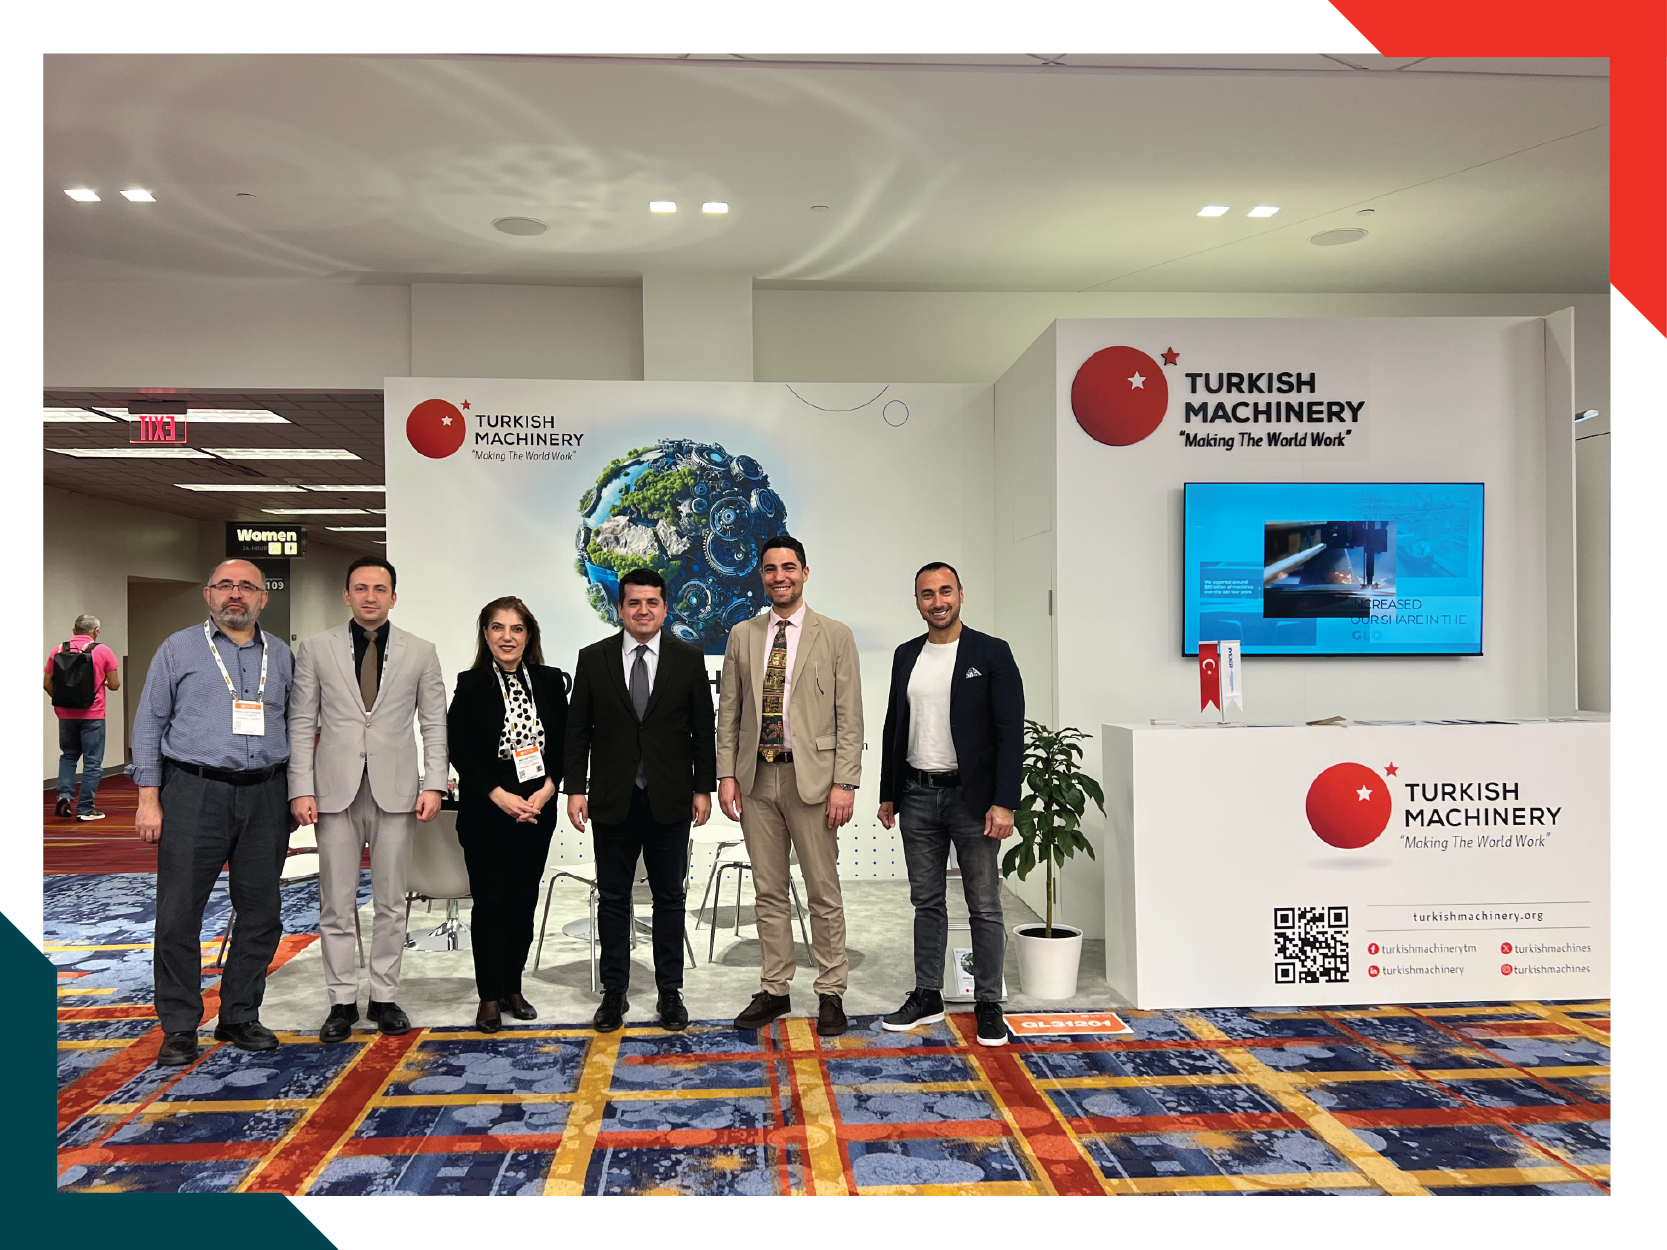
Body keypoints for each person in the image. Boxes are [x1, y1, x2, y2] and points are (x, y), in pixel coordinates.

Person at [131, 560, 295, 1067]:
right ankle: (180, 1025)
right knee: (179, 914)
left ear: (263, 598)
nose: (235, 594)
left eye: (247, 586)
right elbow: (149, 722)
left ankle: (240, 1014)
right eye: (225, 585)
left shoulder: (281, 655)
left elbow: (295, 722)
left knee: (262, 913)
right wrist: (148, 797)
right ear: (208, 594)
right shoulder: (178, 648)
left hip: (266, 794)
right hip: (193, 792)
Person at [288, 556, 449, 1043]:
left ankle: (383, 996)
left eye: (380, 589)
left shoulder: (421, 651)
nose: (371, 597)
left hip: (396, 792)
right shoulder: (316, 649)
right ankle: (341, 1000)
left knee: (392, 902)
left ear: (393, 597)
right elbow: (301, 723)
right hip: (333, 792)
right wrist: (300, 787)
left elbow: (434, 724)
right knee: (335, 904)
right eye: (361, 588)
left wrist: (435, 783)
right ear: (347, 595)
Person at [715, 535, 862, 1036]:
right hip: (757, 779)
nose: (780, 576)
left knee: (823, 890)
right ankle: (775, 988)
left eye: (789, 567)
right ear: (761, 576)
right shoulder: (743, 635)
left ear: (805, 572)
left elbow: (850, 716)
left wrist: (845, 782)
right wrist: (726, 774)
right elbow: (729, 712)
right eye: (771, 569)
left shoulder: (834, 635)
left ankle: (831, 991)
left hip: (814, 780)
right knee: (769, 891)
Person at [877, 562, 1024, 1047]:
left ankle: (988, 1003)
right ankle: (927, 994)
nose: (937, 601)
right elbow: (894, 725)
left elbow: (1010, 732)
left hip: (972, 800)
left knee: (984, 904)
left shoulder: (991, 652)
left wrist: (1005, 803)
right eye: (927, 594)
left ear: (961, 593)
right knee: (926, 902)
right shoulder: (906, 655)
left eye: (945, 591)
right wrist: (888, 792)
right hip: (917, 795)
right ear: (917, 601)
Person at [564, 568, 716, 1033]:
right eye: (634, 602)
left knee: (670, 897)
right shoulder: (593, 659)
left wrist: (703, 788)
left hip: (671, 798)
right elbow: (578, 731)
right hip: (613, 799)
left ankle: (670, 991)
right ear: (620, 609)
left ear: (665, 609)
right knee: (613, 898)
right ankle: (614, 992)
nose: (643, 610)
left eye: (652, 602)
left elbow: (702, 730)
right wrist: (576, 789)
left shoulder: (688, 659)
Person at [446, 597, 568, 1033]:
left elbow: (567, 742)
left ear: (529, 635)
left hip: (537, 807)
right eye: (498, 628)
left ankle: (513, 987)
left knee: (523, 900)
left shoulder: (550, 681)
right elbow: (459, 748)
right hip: (488, 809)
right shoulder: (471, 683)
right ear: (486, 634)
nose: (507, 637)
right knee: (491, 902)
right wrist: (498, 795)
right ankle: (489, 996)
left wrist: (549, 789)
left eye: (517, 629)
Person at [44, 613, 121, 821]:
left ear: (73, 630)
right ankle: (86, 809)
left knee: (68, 755)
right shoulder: (103, 651)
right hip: (93, 714)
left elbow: (47, 683)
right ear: (96, 631)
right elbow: (114, 684)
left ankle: (64, 796)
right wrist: (103, 682)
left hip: (65, 715)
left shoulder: (58, 650)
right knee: (92, 761)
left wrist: (63, 701)